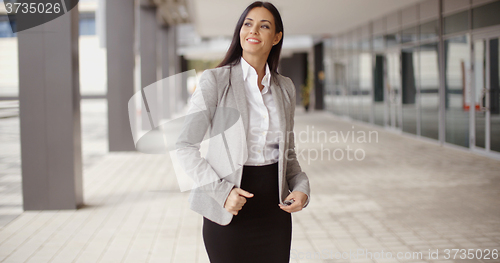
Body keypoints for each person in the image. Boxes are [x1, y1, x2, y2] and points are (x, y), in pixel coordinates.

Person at [175, 1, 311, 262]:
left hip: (275, 214)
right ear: (240, 31)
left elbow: (288, 153)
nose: (254, 31)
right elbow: (184, 146)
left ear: (276, 37)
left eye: (264, 26)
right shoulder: (215, 81)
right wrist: (222, 192)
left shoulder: (285, 88)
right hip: (229, 211)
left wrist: (302, 188)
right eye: (248, 24)